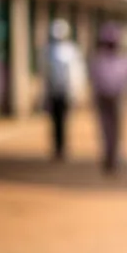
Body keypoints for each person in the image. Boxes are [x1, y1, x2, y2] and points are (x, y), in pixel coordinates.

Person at [88, 22, 127, 174]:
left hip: (118, 97)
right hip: (103, 97)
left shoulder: (124, 60)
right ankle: (108, 156)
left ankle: (114, 157)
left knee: (117, 130)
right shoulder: (98, 60)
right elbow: (94, 80)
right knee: (105, 129)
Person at [44, 19, 82, 161]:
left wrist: (75, 92)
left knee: (64, 120)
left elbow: (76, 74)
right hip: (53, 92)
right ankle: (57, 147)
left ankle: (63, 147)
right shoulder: (48, 50)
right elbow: (46, 74)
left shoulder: (71, 50)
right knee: (54, 121)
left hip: (66, 91)